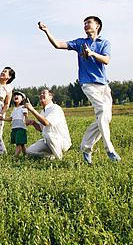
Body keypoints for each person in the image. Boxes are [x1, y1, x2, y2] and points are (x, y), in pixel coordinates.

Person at [38, 17, 121, 164]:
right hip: (88, 84)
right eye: (84, 24)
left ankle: (86, 147)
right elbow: (58, 45)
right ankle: (110, 149)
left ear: (97, 26)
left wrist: (92, 53)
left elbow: (106, 60)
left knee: (104, 118)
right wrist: (46, 31)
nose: (86, 25)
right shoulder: (80, 42)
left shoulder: (104, 43)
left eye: (89, 23)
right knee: (102, 110)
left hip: (103, 85)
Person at [25, 88, 72, 159]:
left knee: (49, 135)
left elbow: (46, 122)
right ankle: (50, 157)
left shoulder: (55, 108)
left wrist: (32, 109)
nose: (41, 94)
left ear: (51, 97)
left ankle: (59, 158)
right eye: (40, 94)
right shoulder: (43, 111)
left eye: (44, 93)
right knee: (29, 152)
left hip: (61, 142)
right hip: (48, 141)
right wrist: (34, 123)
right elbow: (41, 128)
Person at [0, 91, 29, 156]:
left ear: (22, 99)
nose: (16, 96)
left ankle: (15, 156)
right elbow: (11, 118)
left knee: (18, 143)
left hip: (21, 128)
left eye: (18, 95)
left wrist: (27, 120)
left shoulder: (23, 107)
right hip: (14, 128)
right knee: (21, 143)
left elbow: (26, 115)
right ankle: (25, 155)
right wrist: (2, 118)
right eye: (14, 95)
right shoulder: (14, 109)